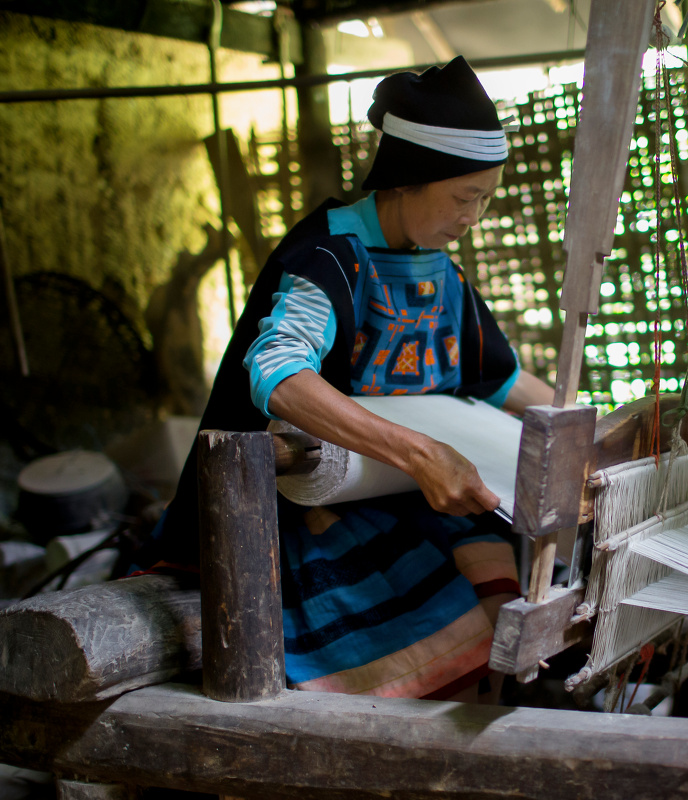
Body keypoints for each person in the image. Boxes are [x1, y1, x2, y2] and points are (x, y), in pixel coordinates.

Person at [146, 57, 555, 701]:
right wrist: (420, 453)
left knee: (517, 568)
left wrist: (593, 426)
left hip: (395, 498)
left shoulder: (439, 271)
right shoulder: (329, 255)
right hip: (296, 507)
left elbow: (499, 381)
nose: (473, 217)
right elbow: (277, 374)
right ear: (407, 179)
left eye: (485, 199)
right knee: (429, 614)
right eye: (464, 197)